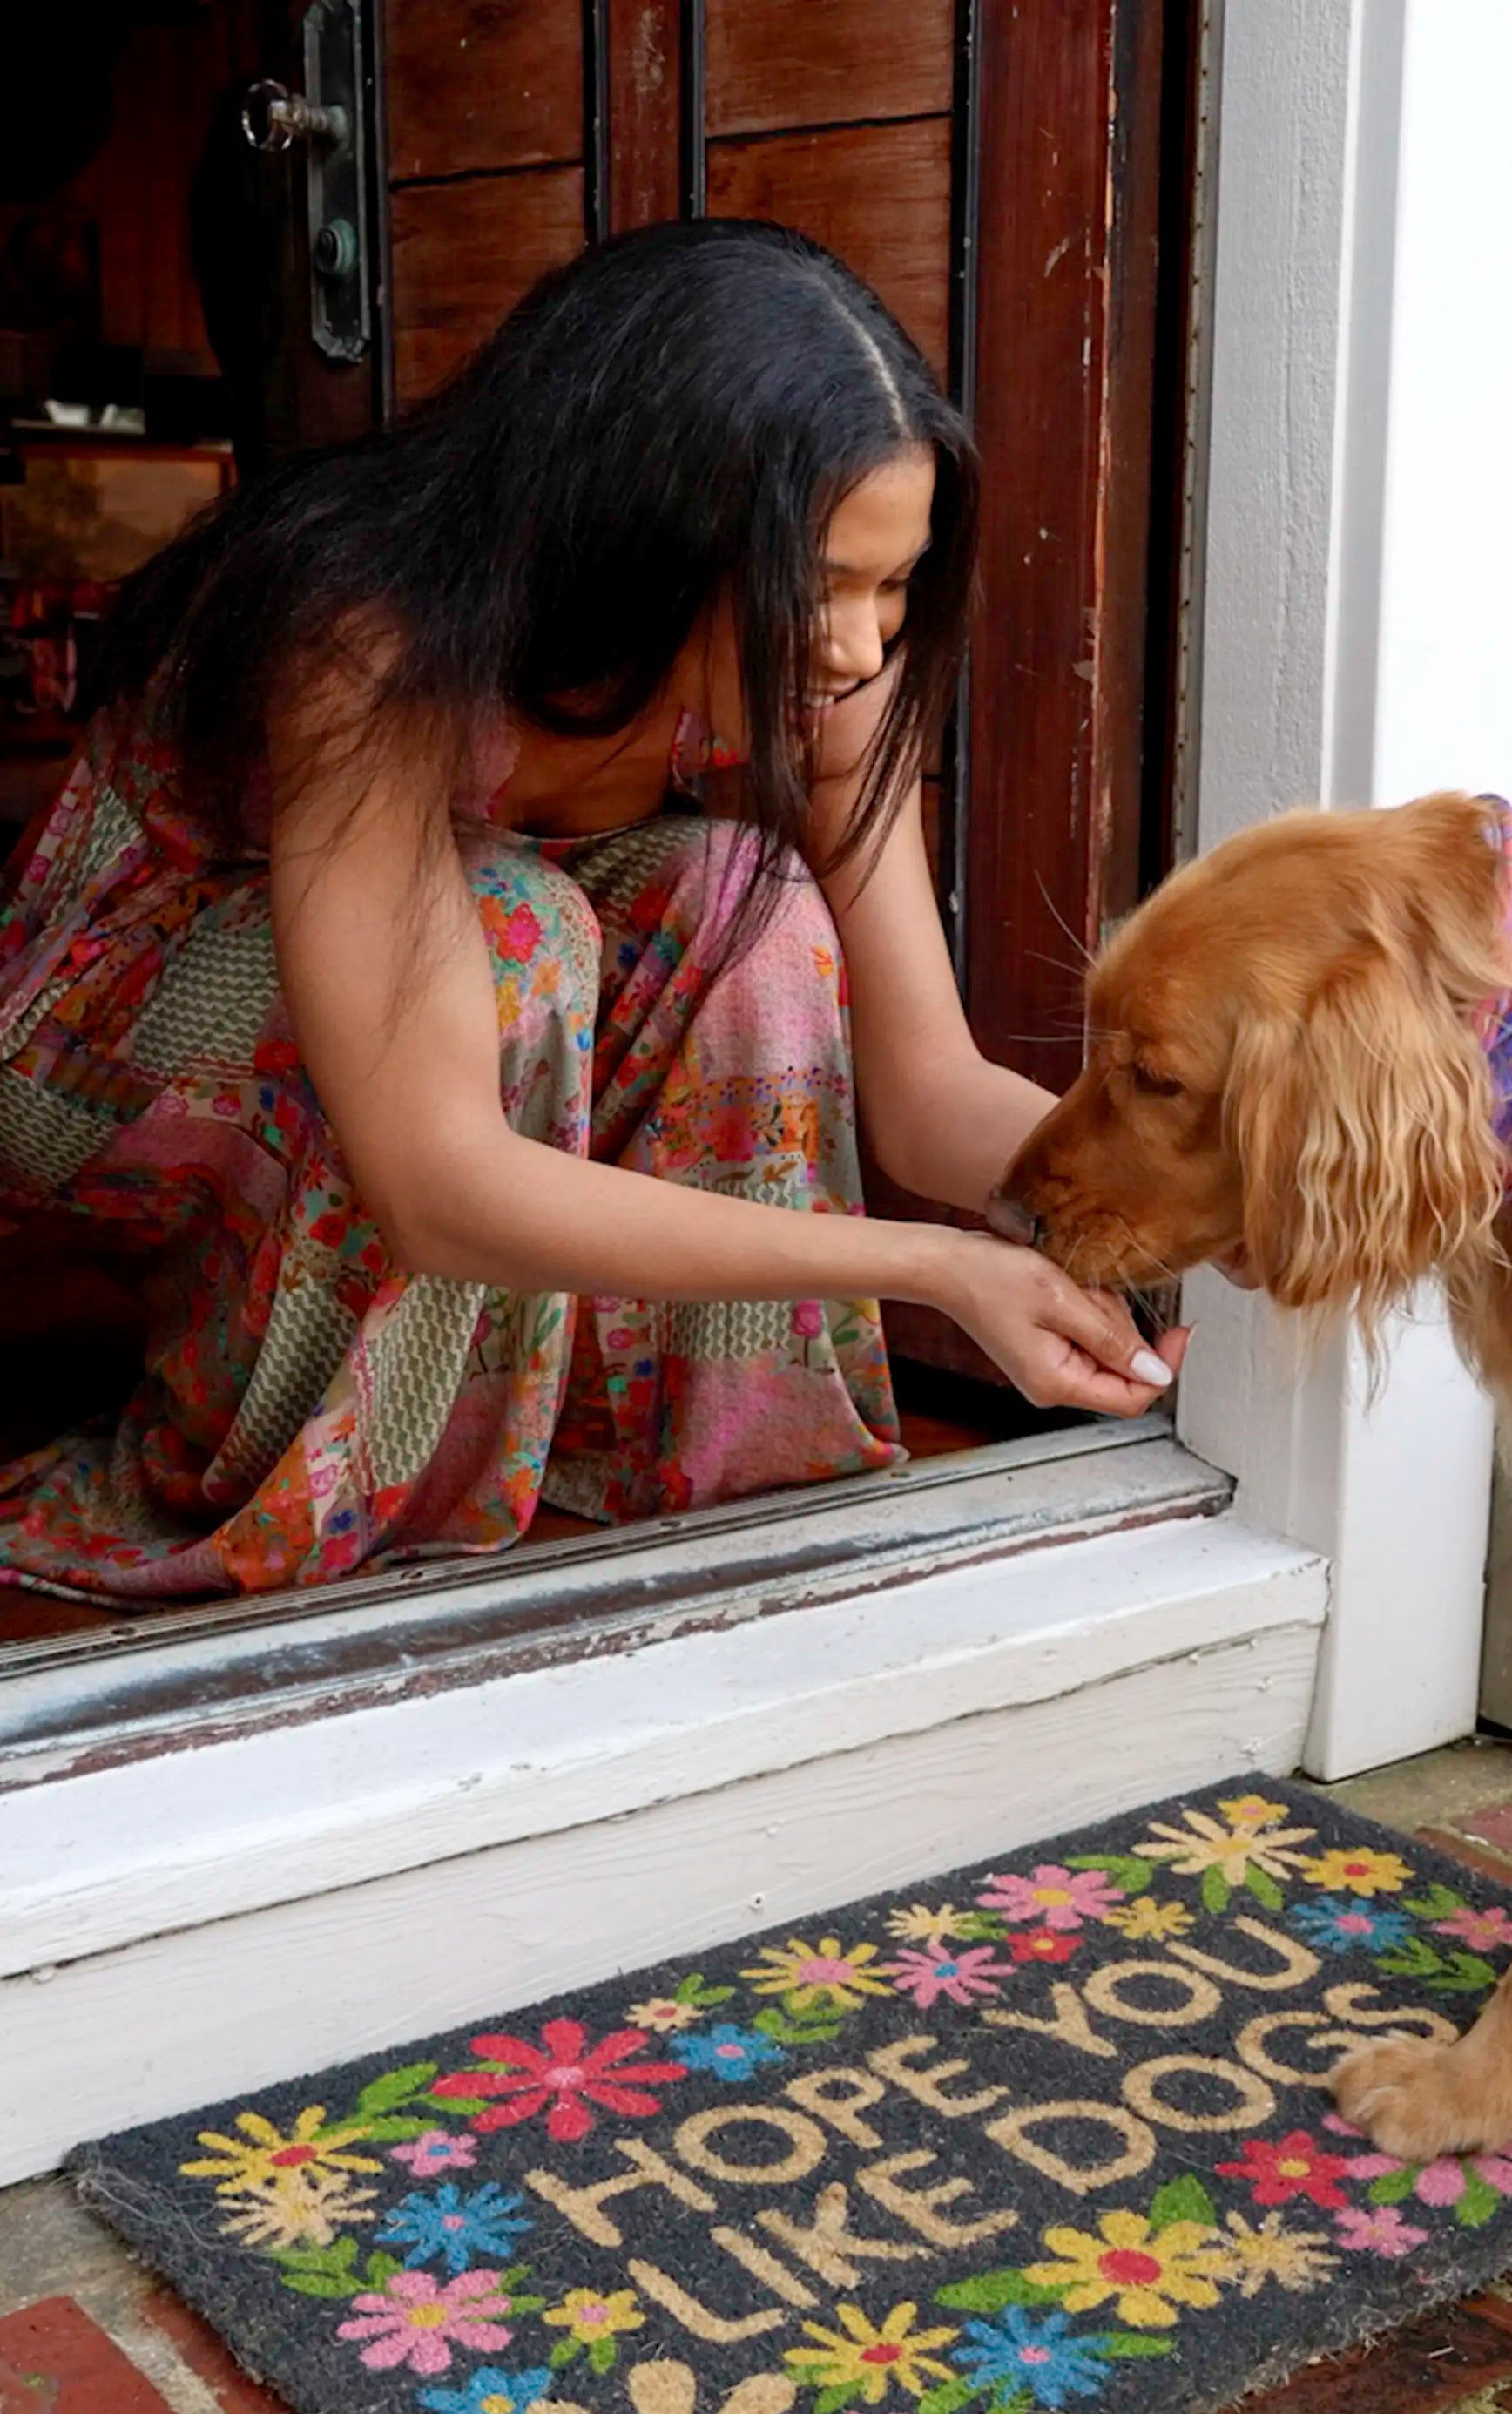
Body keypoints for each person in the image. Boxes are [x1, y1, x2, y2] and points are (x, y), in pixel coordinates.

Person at [0, 220, 1185, 1601]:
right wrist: (936, 1271)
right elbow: (437, 1181)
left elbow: (927, 1093)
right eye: (824, 583)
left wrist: (1170, 1206)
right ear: (649, 525)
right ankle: (364, 1518)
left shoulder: (839, 678)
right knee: (516, 929)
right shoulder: (367, 635)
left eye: (896, 584)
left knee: (748, 895)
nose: (864, 644)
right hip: (93, 1043)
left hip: (441, 1000)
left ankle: (716, 1479)